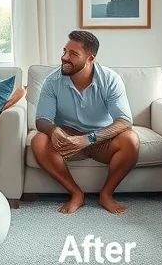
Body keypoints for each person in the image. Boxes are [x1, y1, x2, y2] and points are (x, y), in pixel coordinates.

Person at [30, 30, 140, 215]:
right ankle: (76, 194)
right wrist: (54, 130)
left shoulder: (111, 80)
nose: (65, 57)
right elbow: (42, 119)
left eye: (73, 54)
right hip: (68, 140)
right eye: (65, 51)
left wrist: (88, 139)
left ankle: (106, 194)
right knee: (39, 140)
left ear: (90, 58)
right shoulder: (52, 81)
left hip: (102, 140)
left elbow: (124, 121)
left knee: (131, 139)